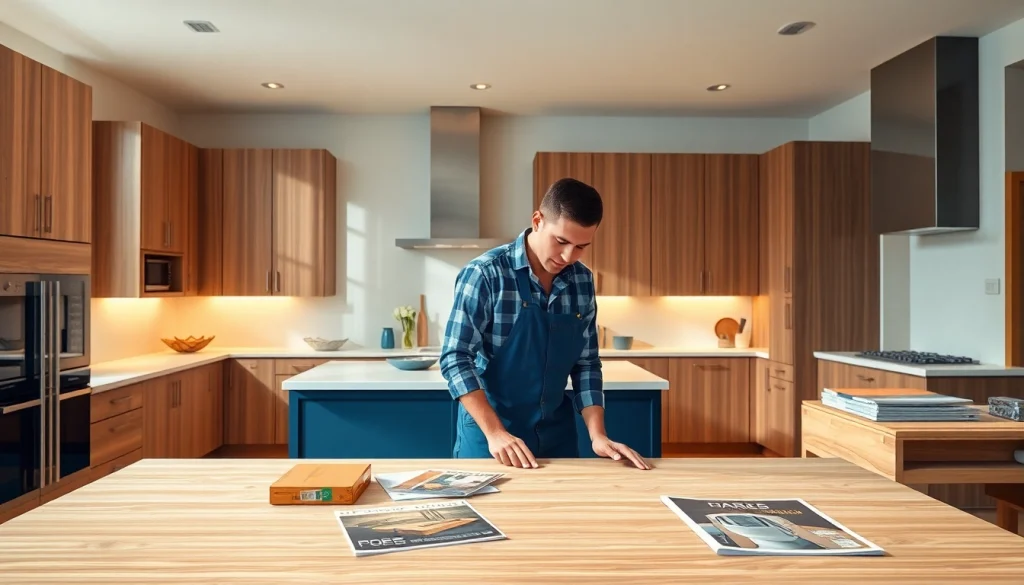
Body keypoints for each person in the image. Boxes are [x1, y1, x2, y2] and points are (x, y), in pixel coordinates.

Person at [439, 177, 650, 470]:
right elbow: (455, 358)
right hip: (492, 438)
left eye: (581, 246)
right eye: (561, 241)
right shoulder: (485, 274)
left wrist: (597, 435)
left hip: (557, 438)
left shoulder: (581, 280)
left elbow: (586, 364)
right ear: (537, 221)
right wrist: (496, 433)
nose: (568, 256)